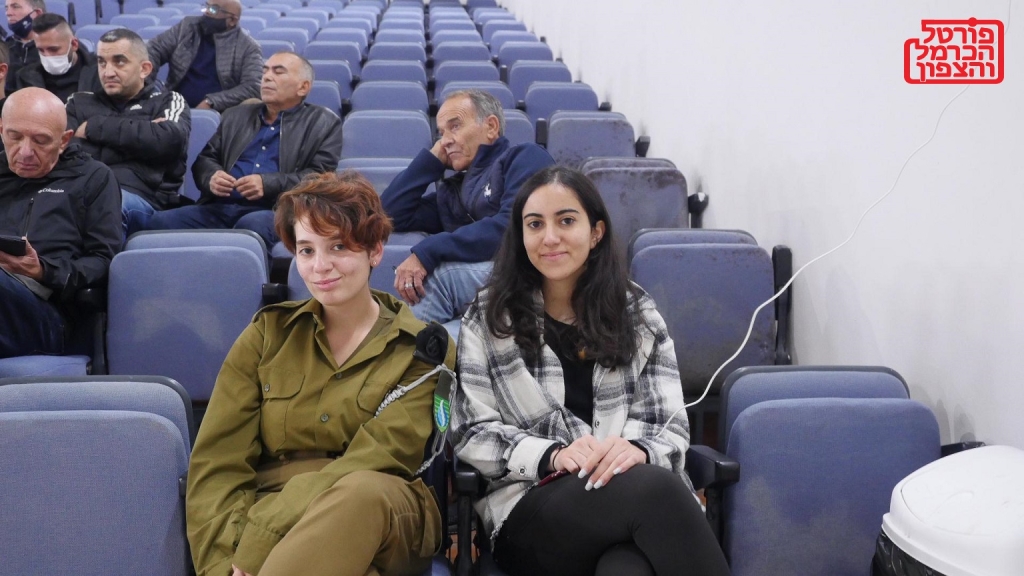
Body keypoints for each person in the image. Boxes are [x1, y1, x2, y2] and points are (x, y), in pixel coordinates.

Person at [452, 166, 732, 576]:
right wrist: (553, 455)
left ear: (596, 232)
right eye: (535, 224)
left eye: (566, 221)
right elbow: (470, 431)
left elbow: (669, 425)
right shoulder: (489, 317)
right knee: (658, 491)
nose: (550, 237)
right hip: (531, 507)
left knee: (626, 568)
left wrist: (637, 451)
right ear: (521, 236)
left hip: (630, 498)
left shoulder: (637, 314)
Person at [185, 171, 455, 576]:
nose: (320, 266)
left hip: (383, 511)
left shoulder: (422, 348)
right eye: (306, 250)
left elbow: (382, 455)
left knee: (361, 490)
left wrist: (265, 536)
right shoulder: (266, 335)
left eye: (339, 247)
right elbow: (218, 462)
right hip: (268, 516)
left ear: (375, 251)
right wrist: (223, 563)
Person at [129, 51, 342, 249]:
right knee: (158, 223)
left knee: (250, 225)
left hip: (278, 210)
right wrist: (212, 177)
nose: (267, 77)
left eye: (278, 72)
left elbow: (319, 178)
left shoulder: (323, 122)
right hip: (220, 206)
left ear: (303, 87)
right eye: (265, 71)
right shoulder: (235, 115)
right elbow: (206, 159)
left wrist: (267, 184)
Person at [381, 89, 554, 325]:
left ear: (491, 127)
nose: (445, 140)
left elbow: (513, 227)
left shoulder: (526, 157)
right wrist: (431, 161)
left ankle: (408, 347)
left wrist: (428, 251)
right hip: (481, 297)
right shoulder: (453, 193)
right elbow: (389, 214)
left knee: (441, 277)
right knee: (445, 330)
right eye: (441, 133)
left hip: (528, 281)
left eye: (455, 126)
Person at [0, 87, 121, 359]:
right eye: (14, 137)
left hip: (48, 313)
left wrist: (44, 271)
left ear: (64, 140)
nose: (25, 152)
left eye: (41, 141)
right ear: (1, 130)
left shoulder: (93, 178)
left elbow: (104, 262)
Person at [65, 28, 190, 230]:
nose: (108, 72)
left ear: (145, 69)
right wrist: (142, 139)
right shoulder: (78, 102)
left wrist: (94, 127)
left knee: (107, 204)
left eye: (119, 62)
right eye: (102, 62)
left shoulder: (167, 101)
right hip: (81, 190)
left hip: (144, 200)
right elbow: (62, 151)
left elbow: (168, 141)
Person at [147, 0, 261, 111]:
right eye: (207, 6)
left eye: (214, 9)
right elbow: (154, 49)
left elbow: (252, 86)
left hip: (221, 113)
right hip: (173, 106)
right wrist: (145, 84)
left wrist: (212, 102)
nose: (206, 12)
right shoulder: (187, 27)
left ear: (232, 20)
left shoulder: (248, 46)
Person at [14, 13, 102, 102]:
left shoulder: (100, 72)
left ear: (74, 44)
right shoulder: (25, 77)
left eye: (53, 49)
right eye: (41, 50)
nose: (47, 55)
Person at [3, 0, 41, 93]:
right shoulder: (6, 47)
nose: (8, 13)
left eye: (15, 7)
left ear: (36, 13)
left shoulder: (51, 49)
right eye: (6, 8)